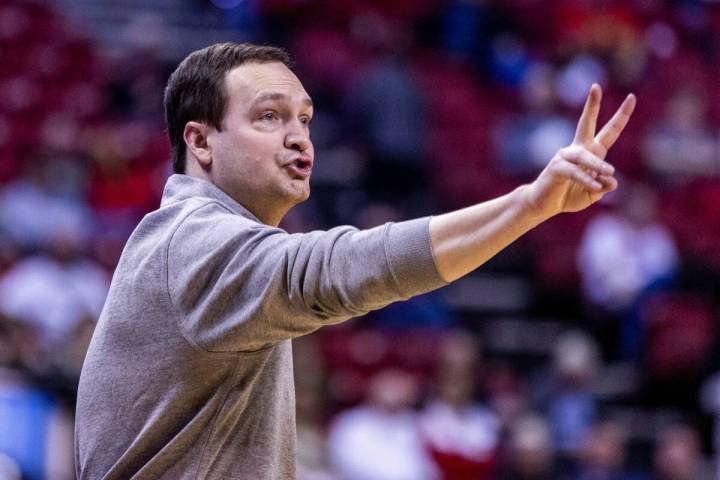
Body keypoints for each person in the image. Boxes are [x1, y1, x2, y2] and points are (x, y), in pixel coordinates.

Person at [74, 42, 635, 479]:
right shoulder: (192, 241)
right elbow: (340, 269)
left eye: (306, 119)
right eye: (270, 117)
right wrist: (528, 205)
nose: (299, 139)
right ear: (200, 142)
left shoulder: (202, 245)